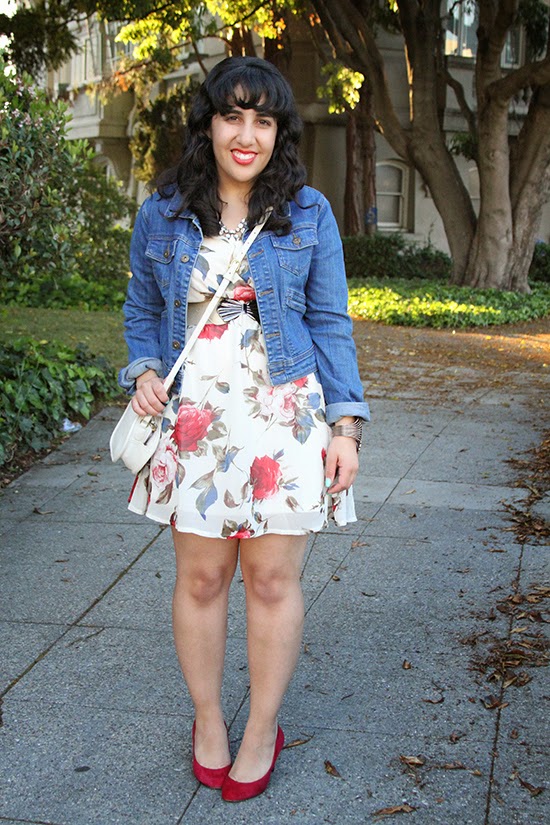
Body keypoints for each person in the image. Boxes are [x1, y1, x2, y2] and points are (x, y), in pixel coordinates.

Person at [118, 55, 370, 802]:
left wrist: (347, 424)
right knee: (200, 579)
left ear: (278, 133)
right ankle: (207, 720)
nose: (247, 133)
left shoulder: (309, 211)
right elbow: (139, 311)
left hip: (283, 413)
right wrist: (141, 369)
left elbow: (329, 321)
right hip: (193, 416)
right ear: (210, 123)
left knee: (269, 579)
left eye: (264, 119)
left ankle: (262, 726)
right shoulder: (161, 209)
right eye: (234, 114)